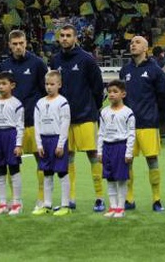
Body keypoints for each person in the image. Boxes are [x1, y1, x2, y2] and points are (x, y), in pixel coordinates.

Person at [49, 24, 105, 212]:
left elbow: (98, 87)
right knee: (68, 157)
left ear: (75, 38)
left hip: (86, 115)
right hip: (64, 119)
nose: (64, 38)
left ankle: (99, 197)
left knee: (93, 155)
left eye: (68, 35)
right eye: (62, 35)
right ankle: (69, 198)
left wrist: (93, 107)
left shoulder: (87, 59)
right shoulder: (55, 60)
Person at [118, 35, 165, 212]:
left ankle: (157, 199)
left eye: (137, 42)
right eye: (132, 42)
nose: (133, 45)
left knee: (152, 160)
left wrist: (159, 117)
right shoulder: (125, 70)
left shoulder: (155, 70)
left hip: (148, 123)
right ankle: (129, 199)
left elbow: (163, 96)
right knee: (127, 161)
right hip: (128, 125)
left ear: (146, 48)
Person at [0, 30, 47, 213]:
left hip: (34, 121)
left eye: (21, 43)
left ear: (26, 43)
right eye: (15, 44)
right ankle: (15, 201)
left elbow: (45, 91)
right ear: (9, 45)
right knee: (12, 163)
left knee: (41, 160)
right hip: (12, 124)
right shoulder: (5, 65)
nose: (18, 47)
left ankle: (42, 199)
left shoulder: (37, 63)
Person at [33, 70, 72, 216]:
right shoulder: (40, 103)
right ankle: (47, 204)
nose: (49, 87)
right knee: (47, 173)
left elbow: (65, 124)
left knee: (62, 172)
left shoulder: (62, 102)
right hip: (44, 141)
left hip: (57, 140)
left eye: (52, 84)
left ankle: (65, 205)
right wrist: (39, 144)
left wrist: (61, 144)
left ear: (59, 85)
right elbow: (37, 124)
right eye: (47, 84)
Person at [0, 72, 24, 215]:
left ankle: (17, 203)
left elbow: (20, 125)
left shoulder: (16, 104)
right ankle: (2, 203)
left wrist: (18, 144)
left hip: (11, 135)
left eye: (4, 84)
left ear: (12, 85)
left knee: (14, 169)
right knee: (0, 170)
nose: (0, 87)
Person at [97, 80, 135, 218]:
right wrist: (99, 151)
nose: (111, 94)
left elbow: (131, 133)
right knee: (110, 178)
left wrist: (129, 152)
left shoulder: (128, 112)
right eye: (109, 92)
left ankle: (121, 207)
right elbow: (101, 132)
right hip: (107, 147)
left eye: (115, 91)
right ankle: (112, 206)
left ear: (123, 94)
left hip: (120, 147)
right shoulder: (104, 112)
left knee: (121, 179)